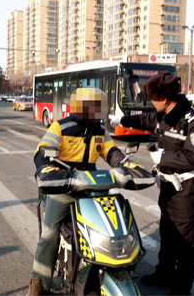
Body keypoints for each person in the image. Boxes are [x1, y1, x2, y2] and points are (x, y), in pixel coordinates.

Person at [109, 71, 194, 295]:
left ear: (164, 99)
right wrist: (122, 119)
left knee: (186, 242)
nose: (151, 103)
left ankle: (183, 287)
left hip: (188, 190)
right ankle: (164, 272)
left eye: (153, 99)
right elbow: (146, 120)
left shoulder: (193, 124)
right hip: (169, 188)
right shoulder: (166, 115)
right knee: (167, 233)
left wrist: (163, 157)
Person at [27, 87, 129, 296]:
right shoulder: (61, 127)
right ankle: (38, 284)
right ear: (81, 107)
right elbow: (42, 152)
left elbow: (111, 152)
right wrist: (46, 169)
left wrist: (125, 164)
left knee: (112, 220)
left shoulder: (100, 130)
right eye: (94, 107)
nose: (98, 111)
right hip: (64, 186)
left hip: (91, 186)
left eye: (99, 107)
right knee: (50, 234)